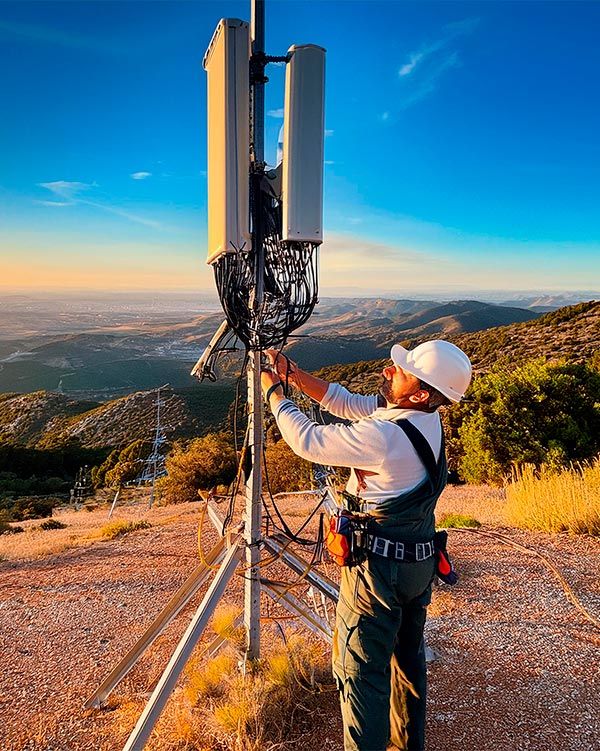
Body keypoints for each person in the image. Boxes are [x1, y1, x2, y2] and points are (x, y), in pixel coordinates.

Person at [261, 340, 472, 751]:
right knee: (405, 664)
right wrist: (293, 373)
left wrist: (274, 392)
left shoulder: (385, 436)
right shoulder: (423, 420)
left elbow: (307, 440)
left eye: (401, 371)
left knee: (359, 673)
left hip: (377, 573)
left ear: (421, 393)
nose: (388, 371)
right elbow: (345, 402)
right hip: (418, 564)